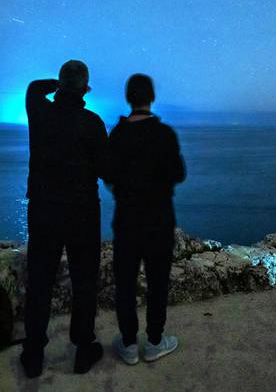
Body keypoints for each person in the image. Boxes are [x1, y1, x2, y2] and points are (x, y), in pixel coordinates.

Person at [21, 60, 108, 378]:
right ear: (85, 89)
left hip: (43, 209)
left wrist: (59, 84)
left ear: (60, 85)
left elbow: (33, 87)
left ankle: (33, 354)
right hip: (83, 212)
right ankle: (83, 349)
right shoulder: (93, 123)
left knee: (40, 281)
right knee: (85, 281)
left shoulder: (39, 111)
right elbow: (106, 170)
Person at [107, 73, 186, 365]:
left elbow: (108, 174)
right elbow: (179, 174)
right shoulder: (165, 134)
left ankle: (128, 344)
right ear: (151, 97)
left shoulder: (117, 134)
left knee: (125, 282)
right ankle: (154, 341)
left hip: (126, 220)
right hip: (159, 220)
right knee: (157, 282)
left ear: (129, 98)